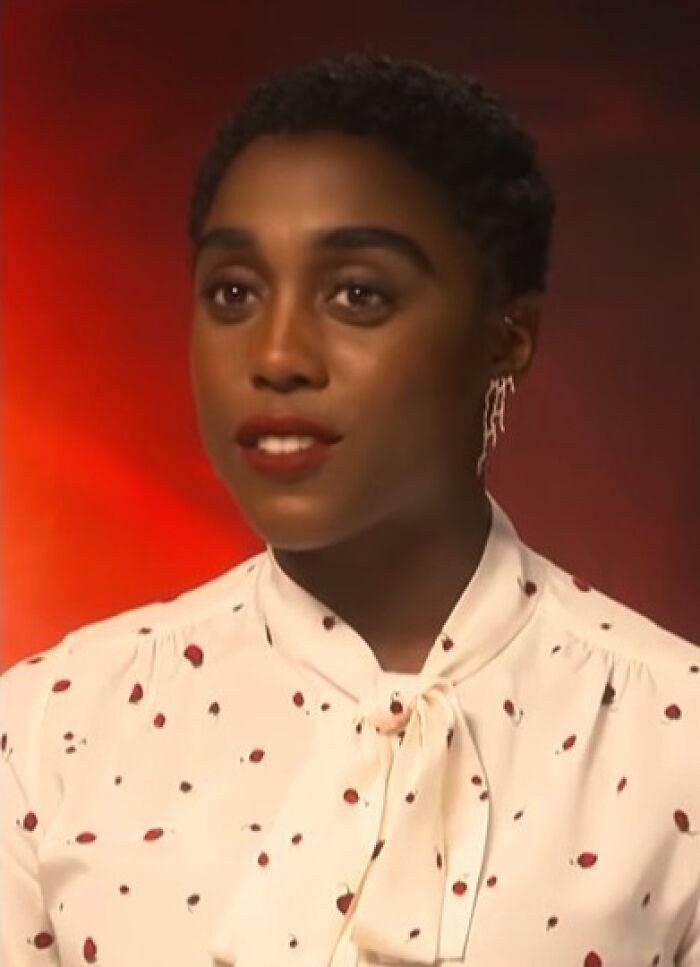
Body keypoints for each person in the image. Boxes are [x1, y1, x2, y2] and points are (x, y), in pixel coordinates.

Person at [1, 50, 698, 967]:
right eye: (234, 292)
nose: (278, 353)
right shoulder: (50, 731)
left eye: (358, 294)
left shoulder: (672, 738)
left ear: (509, 335)